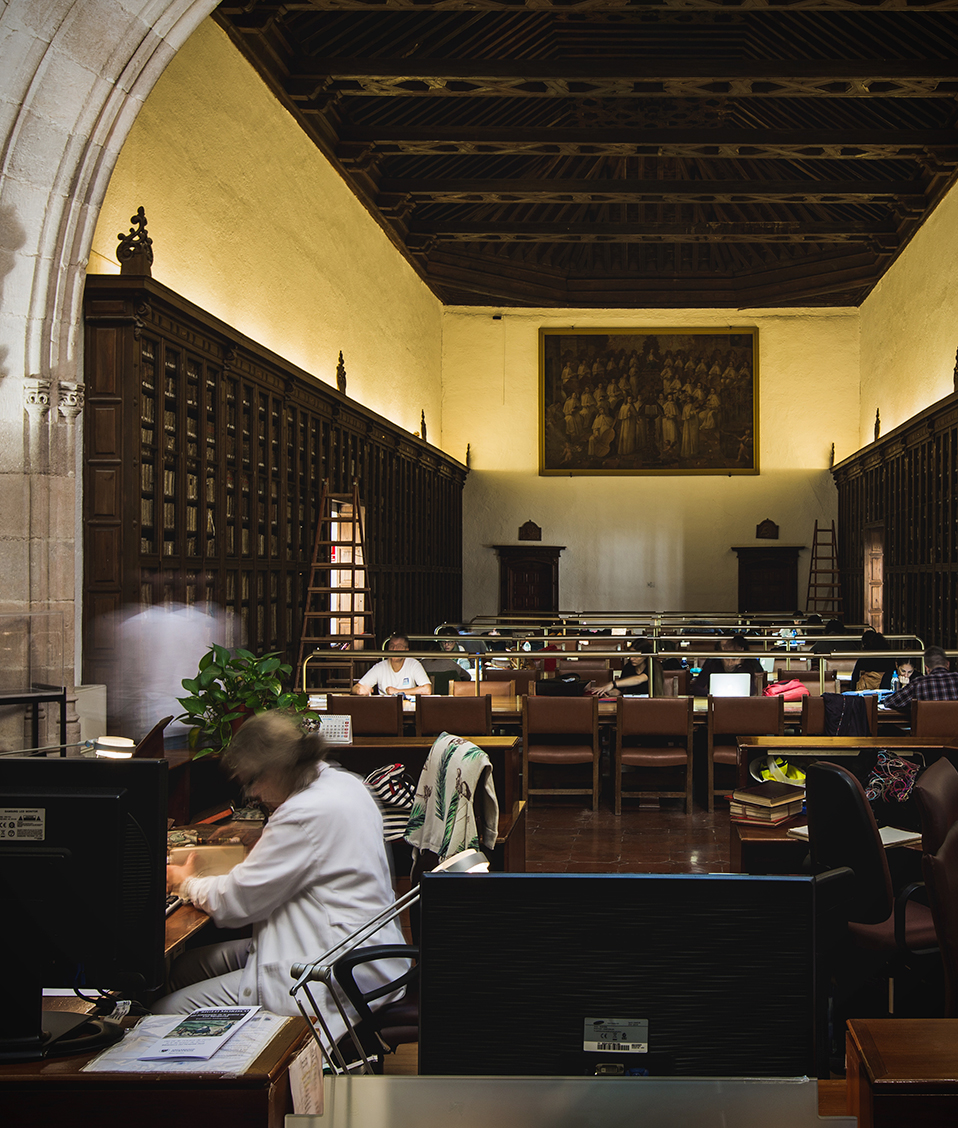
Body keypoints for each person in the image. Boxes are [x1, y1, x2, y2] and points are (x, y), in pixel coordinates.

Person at [156, 712, 409, 1039]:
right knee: (185, 966)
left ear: (278, 768)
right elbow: (312, 855)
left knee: (163, 1013)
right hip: (366, 951)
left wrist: (183, 882)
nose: (253, 794)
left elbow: (237, 903)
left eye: (252, 780)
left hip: (330, 970)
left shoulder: (302, 813)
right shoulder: (342, 782)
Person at [352, 633, 431, 696]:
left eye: (399, 647)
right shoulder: (380, 667)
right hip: (386, 709)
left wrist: (397, 692)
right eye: (392, 646)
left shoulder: (413, 664)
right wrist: (360, 690)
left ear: (406, 650)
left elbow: (427, 690)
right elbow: (356, 687)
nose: (394, 650)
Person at [883, 646, 958, 712]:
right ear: (948, 664)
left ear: (926, 668)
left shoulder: (919, 683)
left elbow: (890, 702)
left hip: (928, 727)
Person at [691, 633, 764, 695]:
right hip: (716, 702)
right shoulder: (713, 661)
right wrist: (715, 694)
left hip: (742, 703)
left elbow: (751, 690)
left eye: (728, 646)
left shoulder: (749, 661)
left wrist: (737, 668)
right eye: (722, 647)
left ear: (740, 647)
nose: (724, 649)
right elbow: (697, 688)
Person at [589, 638, 664, 697]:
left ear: (645, 656)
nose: (631, 659)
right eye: (631, 655)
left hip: (651, 703)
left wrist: (612, 684)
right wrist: (604, 692)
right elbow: (618, 690)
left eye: (636, 656)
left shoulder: (653, 666)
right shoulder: (628, 667)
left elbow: (639, 679)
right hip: (630, 703)